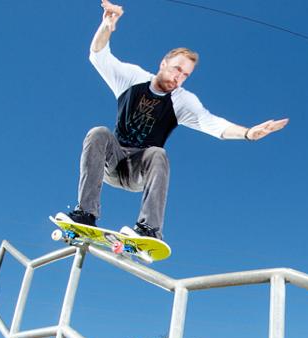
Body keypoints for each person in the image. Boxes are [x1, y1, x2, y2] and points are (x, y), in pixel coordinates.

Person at [59, 0, 288, 242]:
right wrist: (106, 25)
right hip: (113, 163)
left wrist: (248, 133)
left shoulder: (182, 101)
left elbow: (212, 124)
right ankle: (85, 214)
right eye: (177, 69)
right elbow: (98, 56)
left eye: (185, 75)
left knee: (157, 152)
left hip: (140, 169)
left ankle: (149, 230)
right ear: (163, 63)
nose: (179, 77)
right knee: (98, 133)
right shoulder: (133, 79)